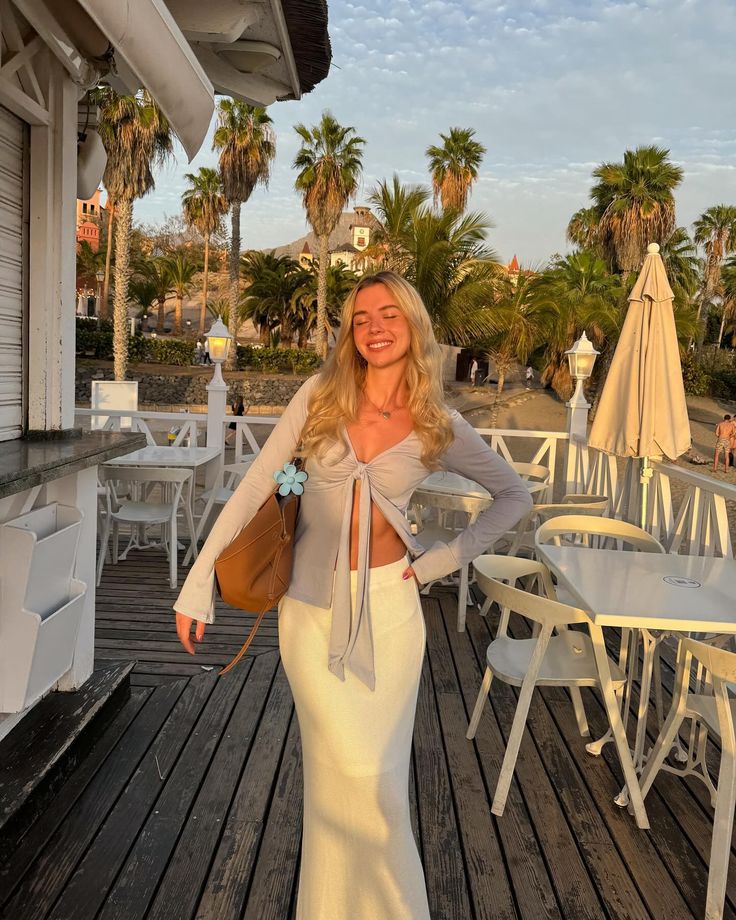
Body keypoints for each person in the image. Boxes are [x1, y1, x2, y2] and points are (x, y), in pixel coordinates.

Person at [174, 271, 532, 919]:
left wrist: (438, 564)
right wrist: (198, 580)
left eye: (388, 313)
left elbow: (514, 496)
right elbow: (258, 484)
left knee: (380, 791)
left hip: (391, 617)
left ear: (414, 324)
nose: (373, 326)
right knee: (334, 784)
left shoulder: (436, 423)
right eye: (360, 316)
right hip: (310, 618)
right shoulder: (320, 396)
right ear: (348, 330)